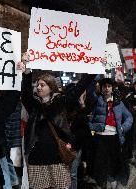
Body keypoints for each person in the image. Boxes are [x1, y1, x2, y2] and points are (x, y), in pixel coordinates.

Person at [19, 59, 96, 189]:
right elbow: (25, 94)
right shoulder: (34, 106)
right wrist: (26, 73)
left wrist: (94, 69)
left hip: (57, 157)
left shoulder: (62, 102)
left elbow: (79, 87)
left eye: (42, 85)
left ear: (51, 87)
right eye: (37, 85)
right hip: (36, 158)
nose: (38, 87)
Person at [88, 78, 133, 189]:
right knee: (101, 167)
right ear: (101, 88)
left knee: (114, 165)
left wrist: (122, 128)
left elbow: (129, 117)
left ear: (112, 88)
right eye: (104, 86)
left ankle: (113, 183)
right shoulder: (96, 100)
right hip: (99, 138)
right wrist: (92, 127)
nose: (107, 88)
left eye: (109, 86)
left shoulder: (118, 103)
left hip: (114, 138)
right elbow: (89, 119)